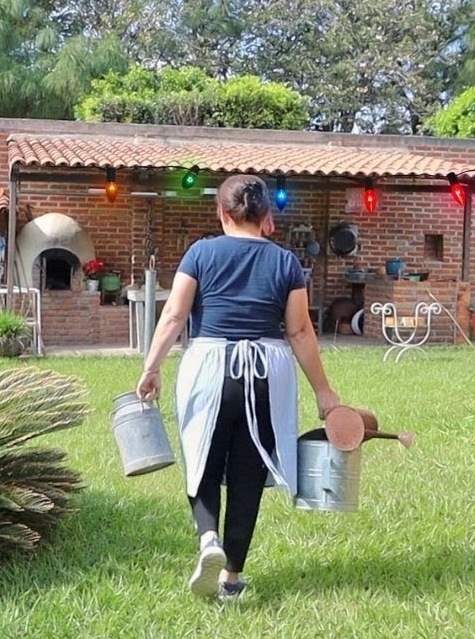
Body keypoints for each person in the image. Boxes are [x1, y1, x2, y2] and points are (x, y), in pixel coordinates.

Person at [135, 174, 342, 600]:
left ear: (222, 212)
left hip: (209, 366)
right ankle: (230, 578)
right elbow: (300, 332)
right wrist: (324, 391)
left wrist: (151, 367)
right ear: (267, 215)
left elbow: (174, 316)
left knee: (203, 458)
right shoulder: (286, 262)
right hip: (266, 372)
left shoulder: (201, 253)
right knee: (248, 473)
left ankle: (208, 538)